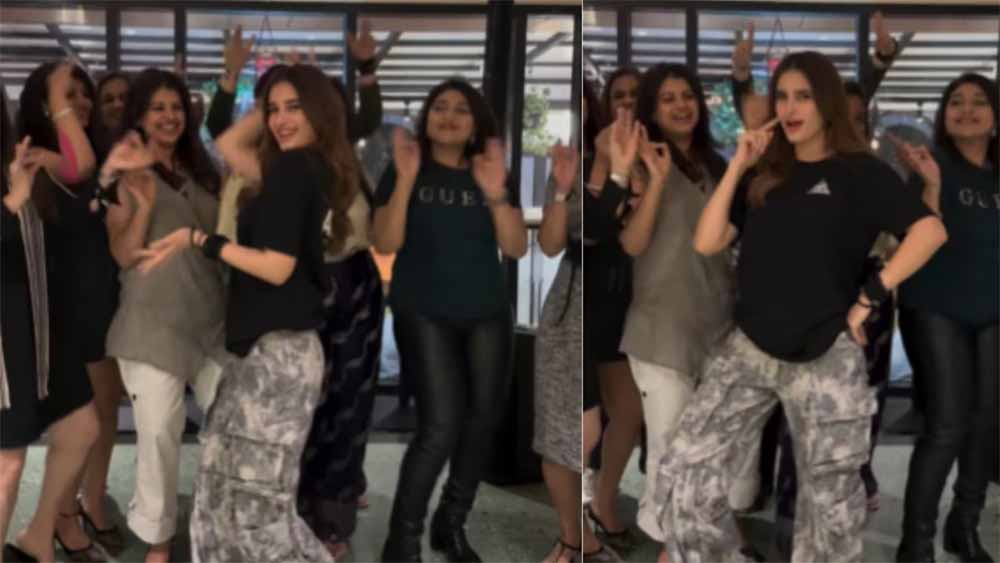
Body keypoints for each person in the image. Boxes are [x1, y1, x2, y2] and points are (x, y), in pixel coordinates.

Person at [652, 51, 947, 563]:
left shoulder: (862, 173)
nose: (789, 108)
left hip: (826, 351)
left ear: (826, 103)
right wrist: (738, 165)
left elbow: (930, 232)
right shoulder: (766, 173)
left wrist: (868, 299)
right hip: (750, 345)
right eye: (782, 97)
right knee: (683, 475)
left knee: (829, 511)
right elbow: (707, 241)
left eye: (803, 97)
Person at [139, 63, 358, 562]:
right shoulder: (306, 167)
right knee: (239, 499)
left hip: (276, 356)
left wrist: (202, 240)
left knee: (250, 507)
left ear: (320, 111)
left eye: (294, 107)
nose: (279, 119)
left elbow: (277, 268)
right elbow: (230, 144)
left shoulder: (295, 169)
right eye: (272, 109)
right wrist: (276, 87)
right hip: (273, 351)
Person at [374, 78, 527, 563]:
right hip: (424, 312)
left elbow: (516, 247)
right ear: (427, 117)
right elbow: (385, 242)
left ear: (476, 122)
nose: (449, 116)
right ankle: (402, 542)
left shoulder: (491, 171)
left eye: (462, 109)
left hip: (487, 313)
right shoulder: (406, 167)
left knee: (482, 422)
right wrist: (404, 181)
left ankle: (451, 522)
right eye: (440, 107)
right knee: (439, 426)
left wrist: (496, 193)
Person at [101, 68, 226, 563]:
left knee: (228, 423)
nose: (170, 116)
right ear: (140, 115)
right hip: (151, 323)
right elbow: (123, 254)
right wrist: (143, 204)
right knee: (157, 434)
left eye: (176, 107)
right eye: (157, 108)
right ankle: (158, 538)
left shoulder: (207, 171)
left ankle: (220, 519)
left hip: (212, 320)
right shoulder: (125, 175)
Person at [893, 73, 998, 563]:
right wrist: (932, 184)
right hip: (936, 307)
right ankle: (916, 543)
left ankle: (964, 526)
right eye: (956, 102)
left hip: (994, 311)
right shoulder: (930, 165)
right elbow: (918, 238)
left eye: (979, 102)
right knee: (947, 426)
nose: (967, 110)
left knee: (986, 423)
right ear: (944, 115)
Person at [1, 73, 100, 563]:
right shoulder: (21, 173)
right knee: (7, 464)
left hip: (42, 324)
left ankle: (38, 536)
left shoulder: (24, 157)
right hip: (10, 335)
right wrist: (13, 203)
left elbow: (80, 166)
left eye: (84, 94)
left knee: (81, 426)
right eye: (64, 96)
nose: (78, 103)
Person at [534, 138, 584, 563]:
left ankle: (602, 513)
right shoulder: (570, 166)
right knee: (558, 429)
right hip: (572, 303)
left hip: (644, 299)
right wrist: (563, 190)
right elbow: (550, 245)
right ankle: (572, 537)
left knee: (617, 421)